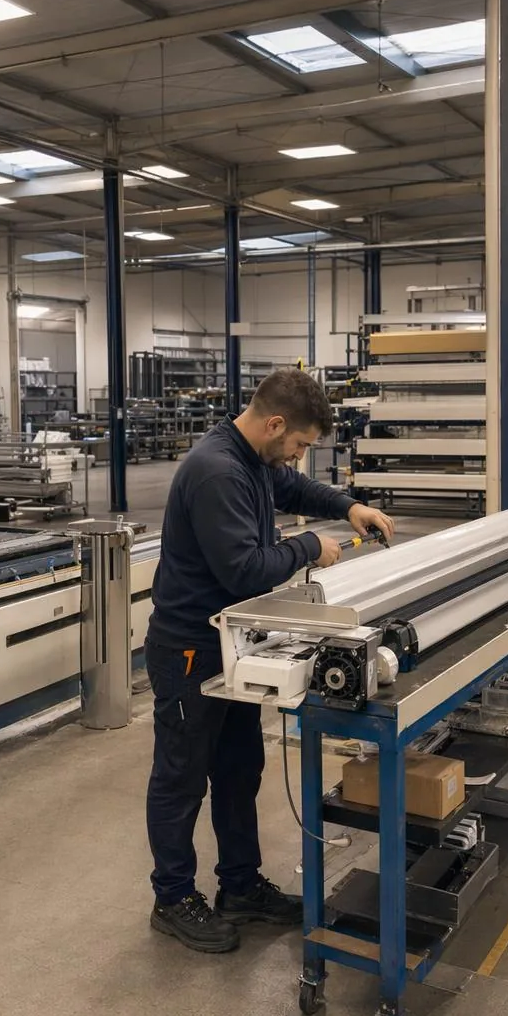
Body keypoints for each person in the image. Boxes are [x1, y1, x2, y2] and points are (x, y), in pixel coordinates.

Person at [145, 368, 395, 953]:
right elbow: (245, 570)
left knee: (239, 770)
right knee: (182, 778)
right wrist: (310, 546)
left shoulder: (253, 457)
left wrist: (348, 506)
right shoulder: (217, 471)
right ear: (275, 423)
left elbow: (293, 488)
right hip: (189, 651)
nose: (298, 456)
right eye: (300, 444)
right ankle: (172, 898)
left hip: (233, 642)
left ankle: (240, 887)